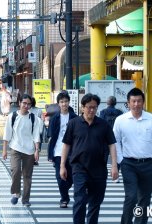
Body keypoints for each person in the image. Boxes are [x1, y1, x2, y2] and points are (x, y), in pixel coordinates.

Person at [60, 93, 118, 224]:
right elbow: (66, 144)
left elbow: (112, 145)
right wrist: (62, 166)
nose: (91, 110)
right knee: (80, 199)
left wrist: (114, 165)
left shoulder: (103, 125)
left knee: (95, 201)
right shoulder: (73, 123)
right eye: (89, 107)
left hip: (99, 168)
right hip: (79, 167)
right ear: (82, 108)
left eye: (94, 107)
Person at [113, 87, 152, 224]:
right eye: (133, 101)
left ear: (143, 102)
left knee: (145, 199)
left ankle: (140, 222)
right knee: (131, 196)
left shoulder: (151, 119)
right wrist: (120, 161)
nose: (136, 104)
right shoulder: (120, 120)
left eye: (139, 101)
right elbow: (115, 141)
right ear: (128, 103)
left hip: (148, 164)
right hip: (129, 163)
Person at [3, 95, 41, 207]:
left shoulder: (34, 118)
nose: (26, 106)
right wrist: (4, 150)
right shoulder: (12, 116)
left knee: (27, 175)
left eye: (29, 104)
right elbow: (7, 134)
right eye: (24, 103)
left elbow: (36, 136)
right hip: (15, 148)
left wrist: (37, 150)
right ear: (19, 103)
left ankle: (25, 199)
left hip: (29, 150)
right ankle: (16, 193)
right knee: (15, 171)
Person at [47, 90, 77, 208]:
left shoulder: (74, 118)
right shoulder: (54, 119)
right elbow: (51, 137)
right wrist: (50, 154)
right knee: (60, 177)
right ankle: (64, 198)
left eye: (66, 101)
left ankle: (66, 189)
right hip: (58, 151)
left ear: (69, 102)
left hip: (73, 151)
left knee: (70, 176)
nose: (64, 104)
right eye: (61, 102)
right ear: (58, 104)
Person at [29, 96, 44, 165]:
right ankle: (36, 160)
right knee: (37, 146)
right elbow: (43, 119)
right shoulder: (39, 110)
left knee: (31, 145)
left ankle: (31, 159)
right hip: (38, 131)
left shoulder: (28, 110)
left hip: (30, 131)